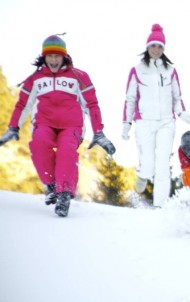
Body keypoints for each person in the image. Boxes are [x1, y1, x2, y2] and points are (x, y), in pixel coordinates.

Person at [0, 34, 116, 217]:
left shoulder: (79, 76)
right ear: (44, 57)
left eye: (57, 56)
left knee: (66, 152)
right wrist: (14, 127)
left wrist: (99, 132)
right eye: (50, 56)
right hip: (44, 122)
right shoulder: (35, 79)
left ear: (64, 57)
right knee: (38, 144)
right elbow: (23, 104)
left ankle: (64, 194)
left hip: (72, 125)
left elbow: (91, 104)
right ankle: (52, 186)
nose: (53, 60)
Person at [122, 23, 190, 207]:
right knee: (148, 164)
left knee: (162, 164)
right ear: (147, 47)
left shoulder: (170, 71)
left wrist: (181, 112)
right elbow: (130, 99)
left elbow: (177, 97)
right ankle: (143, 174)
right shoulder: (137, 70)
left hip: (166, 122)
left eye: (160, 46)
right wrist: (126, 123)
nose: (156, 49)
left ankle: (160, 205)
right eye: (153, 45)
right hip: (144, 121)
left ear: (163, 48)